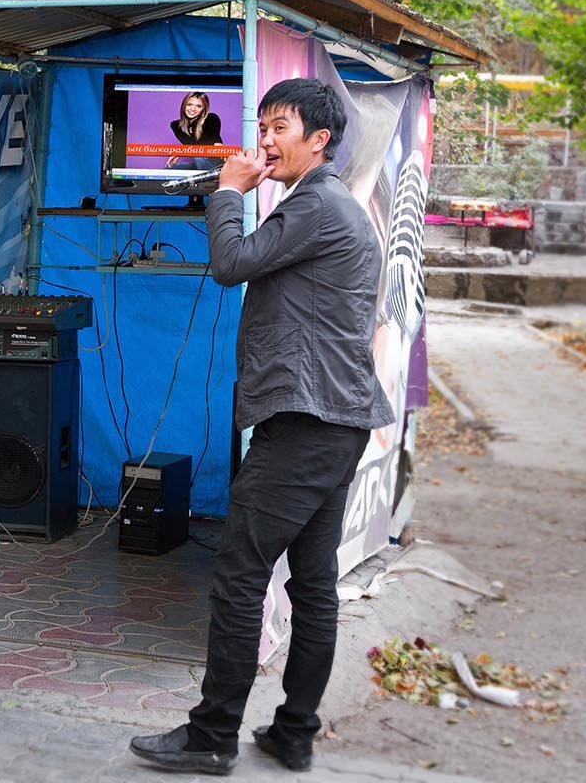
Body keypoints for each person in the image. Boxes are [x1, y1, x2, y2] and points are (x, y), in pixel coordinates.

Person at [130, 78, 394, 774]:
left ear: (320, 140)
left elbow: (230, 263)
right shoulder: (324, 203)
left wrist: (227, 192)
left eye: (281, 128)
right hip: (334, 419)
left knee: (241, 573)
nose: (266, 140)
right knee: (312, 585)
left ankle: (212, 737)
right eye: (264, 126)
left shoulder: (318, 203)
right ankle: (292, 733)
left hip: (305, 421)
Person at [166, 90, 224, 170]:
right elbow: (191, 145)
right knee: (172, 169)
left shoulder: (211, 118)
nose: (193, 109)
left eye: (198, 106)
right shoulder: (176, 126)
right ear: (184, 105)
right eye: (189, 104)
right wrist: (178, 151)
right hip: (198, 162)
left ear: (203, 109)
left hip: (212, 163)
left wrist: (220, 148)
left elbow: (215, 141)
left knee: (199, 158)